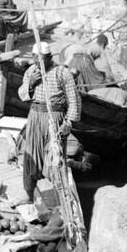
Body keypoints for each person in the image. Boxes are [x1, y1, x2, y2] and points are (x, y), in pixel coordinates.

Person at [17, 50, 81, 203]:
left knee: (55, 158)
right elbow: (22, 95)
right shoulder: (31, 71)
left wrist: (68, 123)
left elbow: (74, 100)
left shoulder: (62, 73)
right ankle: (28, 194)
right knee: (30, 156)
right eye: (35, 58)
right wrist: (31, 83)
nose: (38, 62)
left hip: (55, 118)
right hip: (35, 117)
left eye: (42, 59)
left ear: (50, 58)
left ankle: (61, 199)